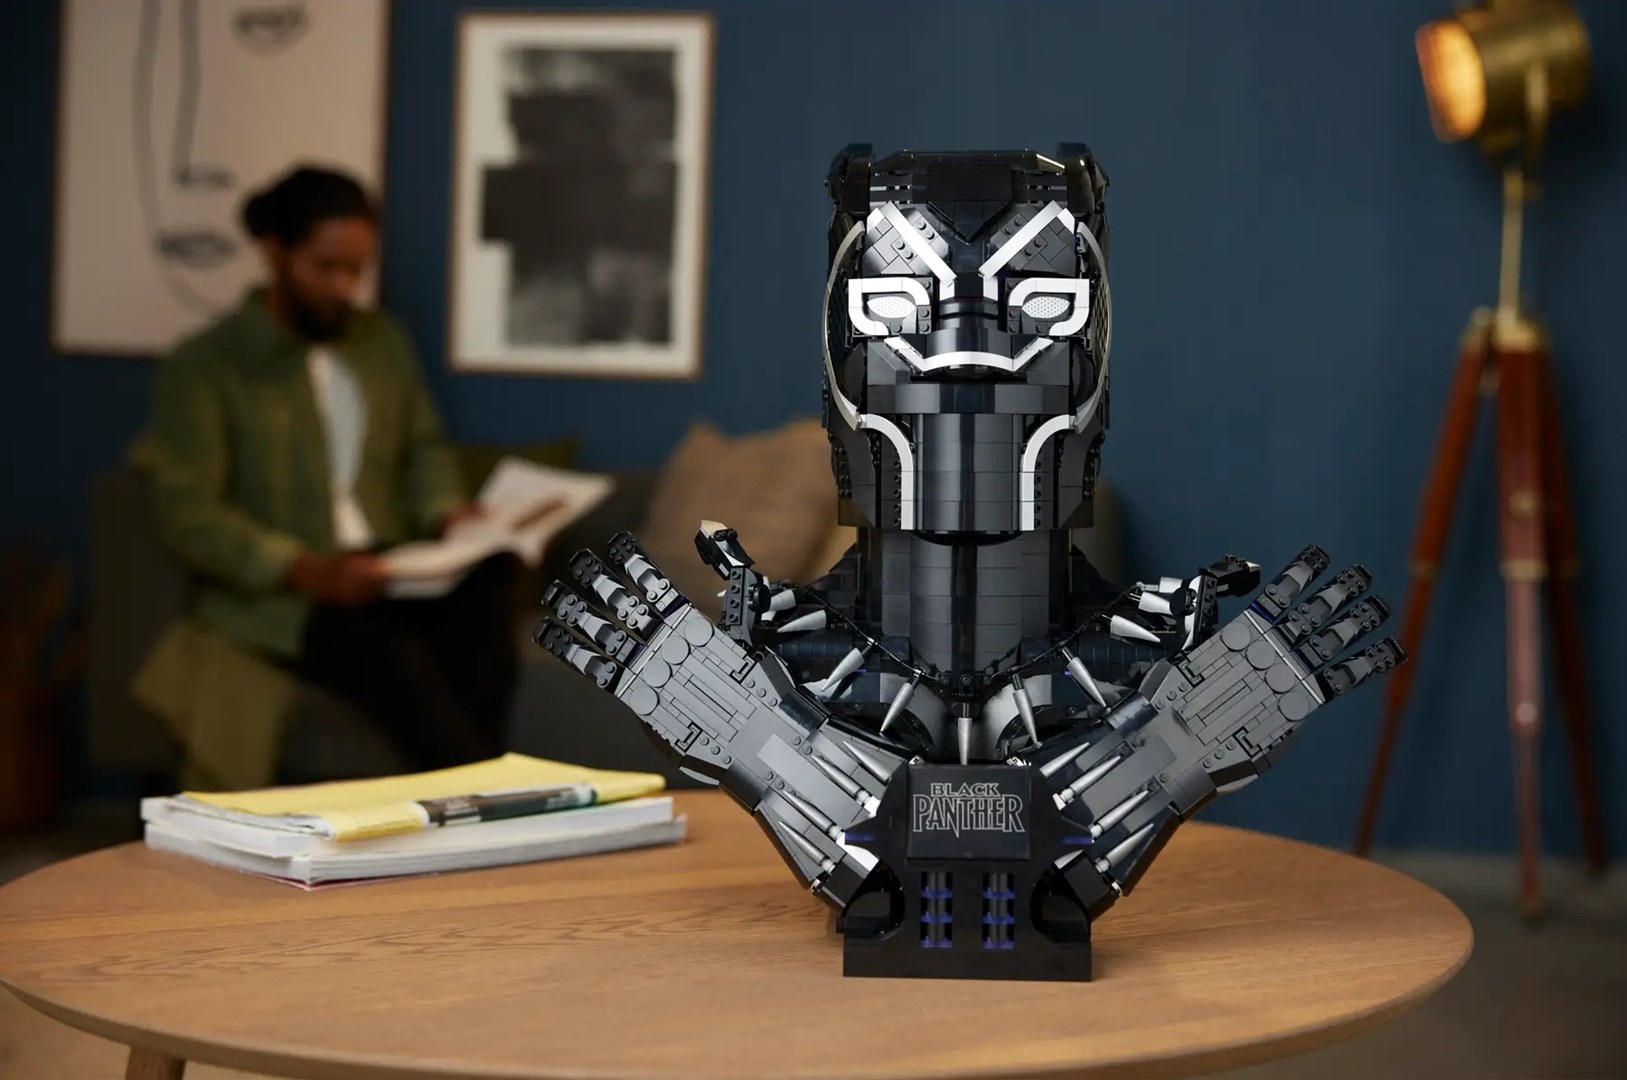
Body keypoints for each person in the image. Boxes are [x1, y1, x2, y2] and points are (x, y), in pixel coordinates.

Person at [146, 164, 519, 779]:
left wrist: (448, 514)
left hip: (387, 568)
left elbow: (423, 448)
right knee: (385, 653)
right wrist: (303, 568)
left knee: (484, 593)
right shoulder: (206, 366)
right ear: (275, 252)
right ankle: (483, 792)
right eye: (325, 268)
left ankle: (483, 786)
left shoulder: (382, 342)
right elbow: (190, 513)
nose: (343, 287)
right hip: (292, 590)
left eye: (357, 270)